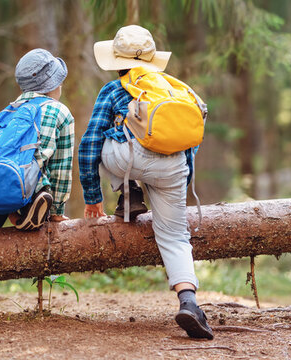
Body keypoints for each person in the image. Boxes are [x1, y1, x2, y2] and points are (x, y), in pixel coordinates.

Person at [79, 25, 213, 339]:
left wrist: (92, 196)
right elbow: (190, 141)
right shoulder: (174, 88)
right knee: (175, 236)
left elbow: (89, 145)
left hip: (126, 160)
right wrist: (181, 181)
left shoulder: (113, 90)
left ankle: (128, 191)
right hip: (174, 167)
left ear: (116, 60)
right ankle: (189, 302)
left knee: (107, 141)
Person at [0, 48, 75, 313]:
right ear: (53, 84)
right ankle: (28, 208)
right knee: (39, 183)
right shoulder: (60, 112)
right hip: (29, 186)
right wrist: (58, 211)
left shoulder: (7, 110)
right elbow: (61, 167)